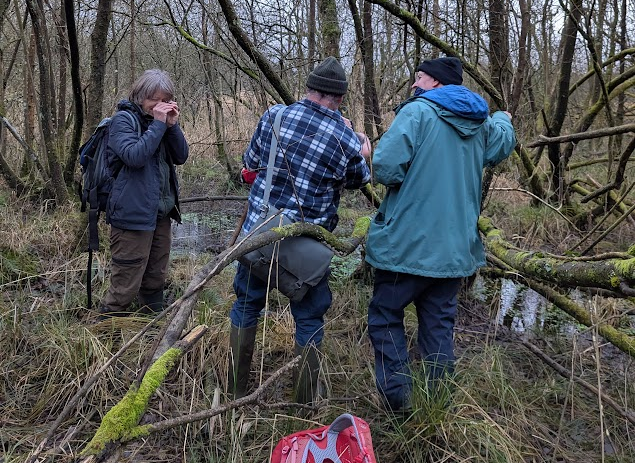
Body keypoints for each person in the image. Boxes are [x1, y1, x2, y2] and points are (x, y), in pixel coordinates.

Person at [365, 56, 516, 411]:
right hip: (454, 253)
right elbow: (501, 143)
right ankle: (436, 407)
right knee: (438, 329)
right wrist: (503, 120)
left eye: (419, 77)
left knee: (385, 317)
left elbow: (385, 167)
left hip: (405, 248)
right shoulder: (480, 123)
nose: (414, 84)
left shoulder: (417, 113)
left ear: (434, 82)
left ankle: (399, 403)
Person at [228, 57, 372, 405]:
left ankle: (234, 391)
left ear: (308, 89)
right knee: (309, 317)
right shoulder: (346, 140)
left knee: (246, 305)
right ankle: (306, 401)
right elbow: (358, 180)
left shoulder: (274, 116)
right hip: (305, 250)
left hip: (257, 237)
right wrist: (364, 151)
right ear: (339, 99)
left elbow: (251, 163)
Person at [98, 69, 189, 318]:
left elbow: (181, 156)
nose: (159, 106)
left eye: (165, 100)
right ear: (140, 97)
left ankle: (150, 332)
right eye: (154, 101)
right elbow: (134, 156)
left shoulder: (159, 125)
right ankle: (106, 337)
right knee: (125, 282)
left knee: (155, 277)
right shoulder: (123, 121)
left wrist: (171, 126)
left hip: (160, 214)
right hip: (131, 216)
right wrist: (159, 125)